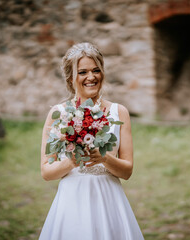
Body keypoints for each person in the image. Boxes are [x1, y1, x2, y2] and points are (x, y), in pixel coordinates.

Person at [39, 42, 144, 239]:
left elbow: (127, 171)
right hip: (72, 201)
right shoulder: (58, 114)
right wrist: (72, 161)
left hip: (109, 199)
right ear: (71, 78)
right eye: (83, 72)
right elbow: (46, 172)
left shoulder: (118, 112)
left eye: (96, 70)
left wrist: (103, 158)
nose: (91, 77)